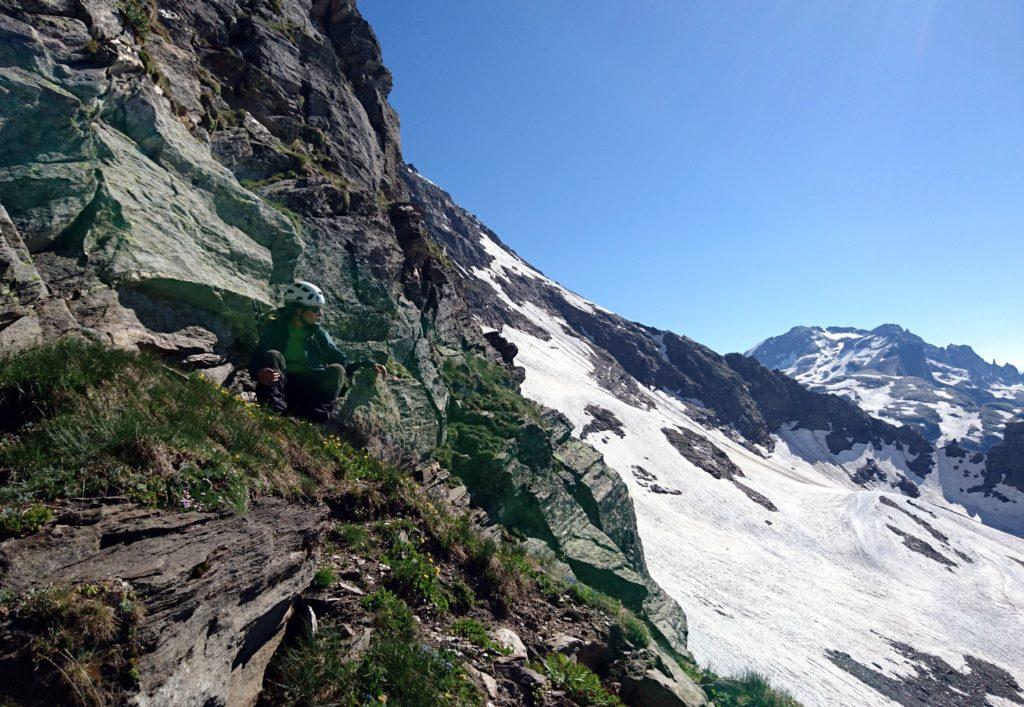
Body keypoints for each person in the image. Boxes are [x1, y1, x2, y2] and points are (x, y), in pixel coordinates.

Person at [249, 280, 387, 420]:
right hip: (284, 386)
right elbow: (256, 358)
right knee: (273, 355)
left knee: (337, 369)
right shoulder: (275, 328)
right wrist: (259, 371)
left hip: (310, 390)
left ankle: (313, 419)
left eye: (321, 309)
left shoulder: (318, 333)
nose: (320, 314)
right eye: (316, 310)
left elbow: (342, 362)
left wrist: (367, 363)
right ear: (299, 310)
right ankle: (274, 412)